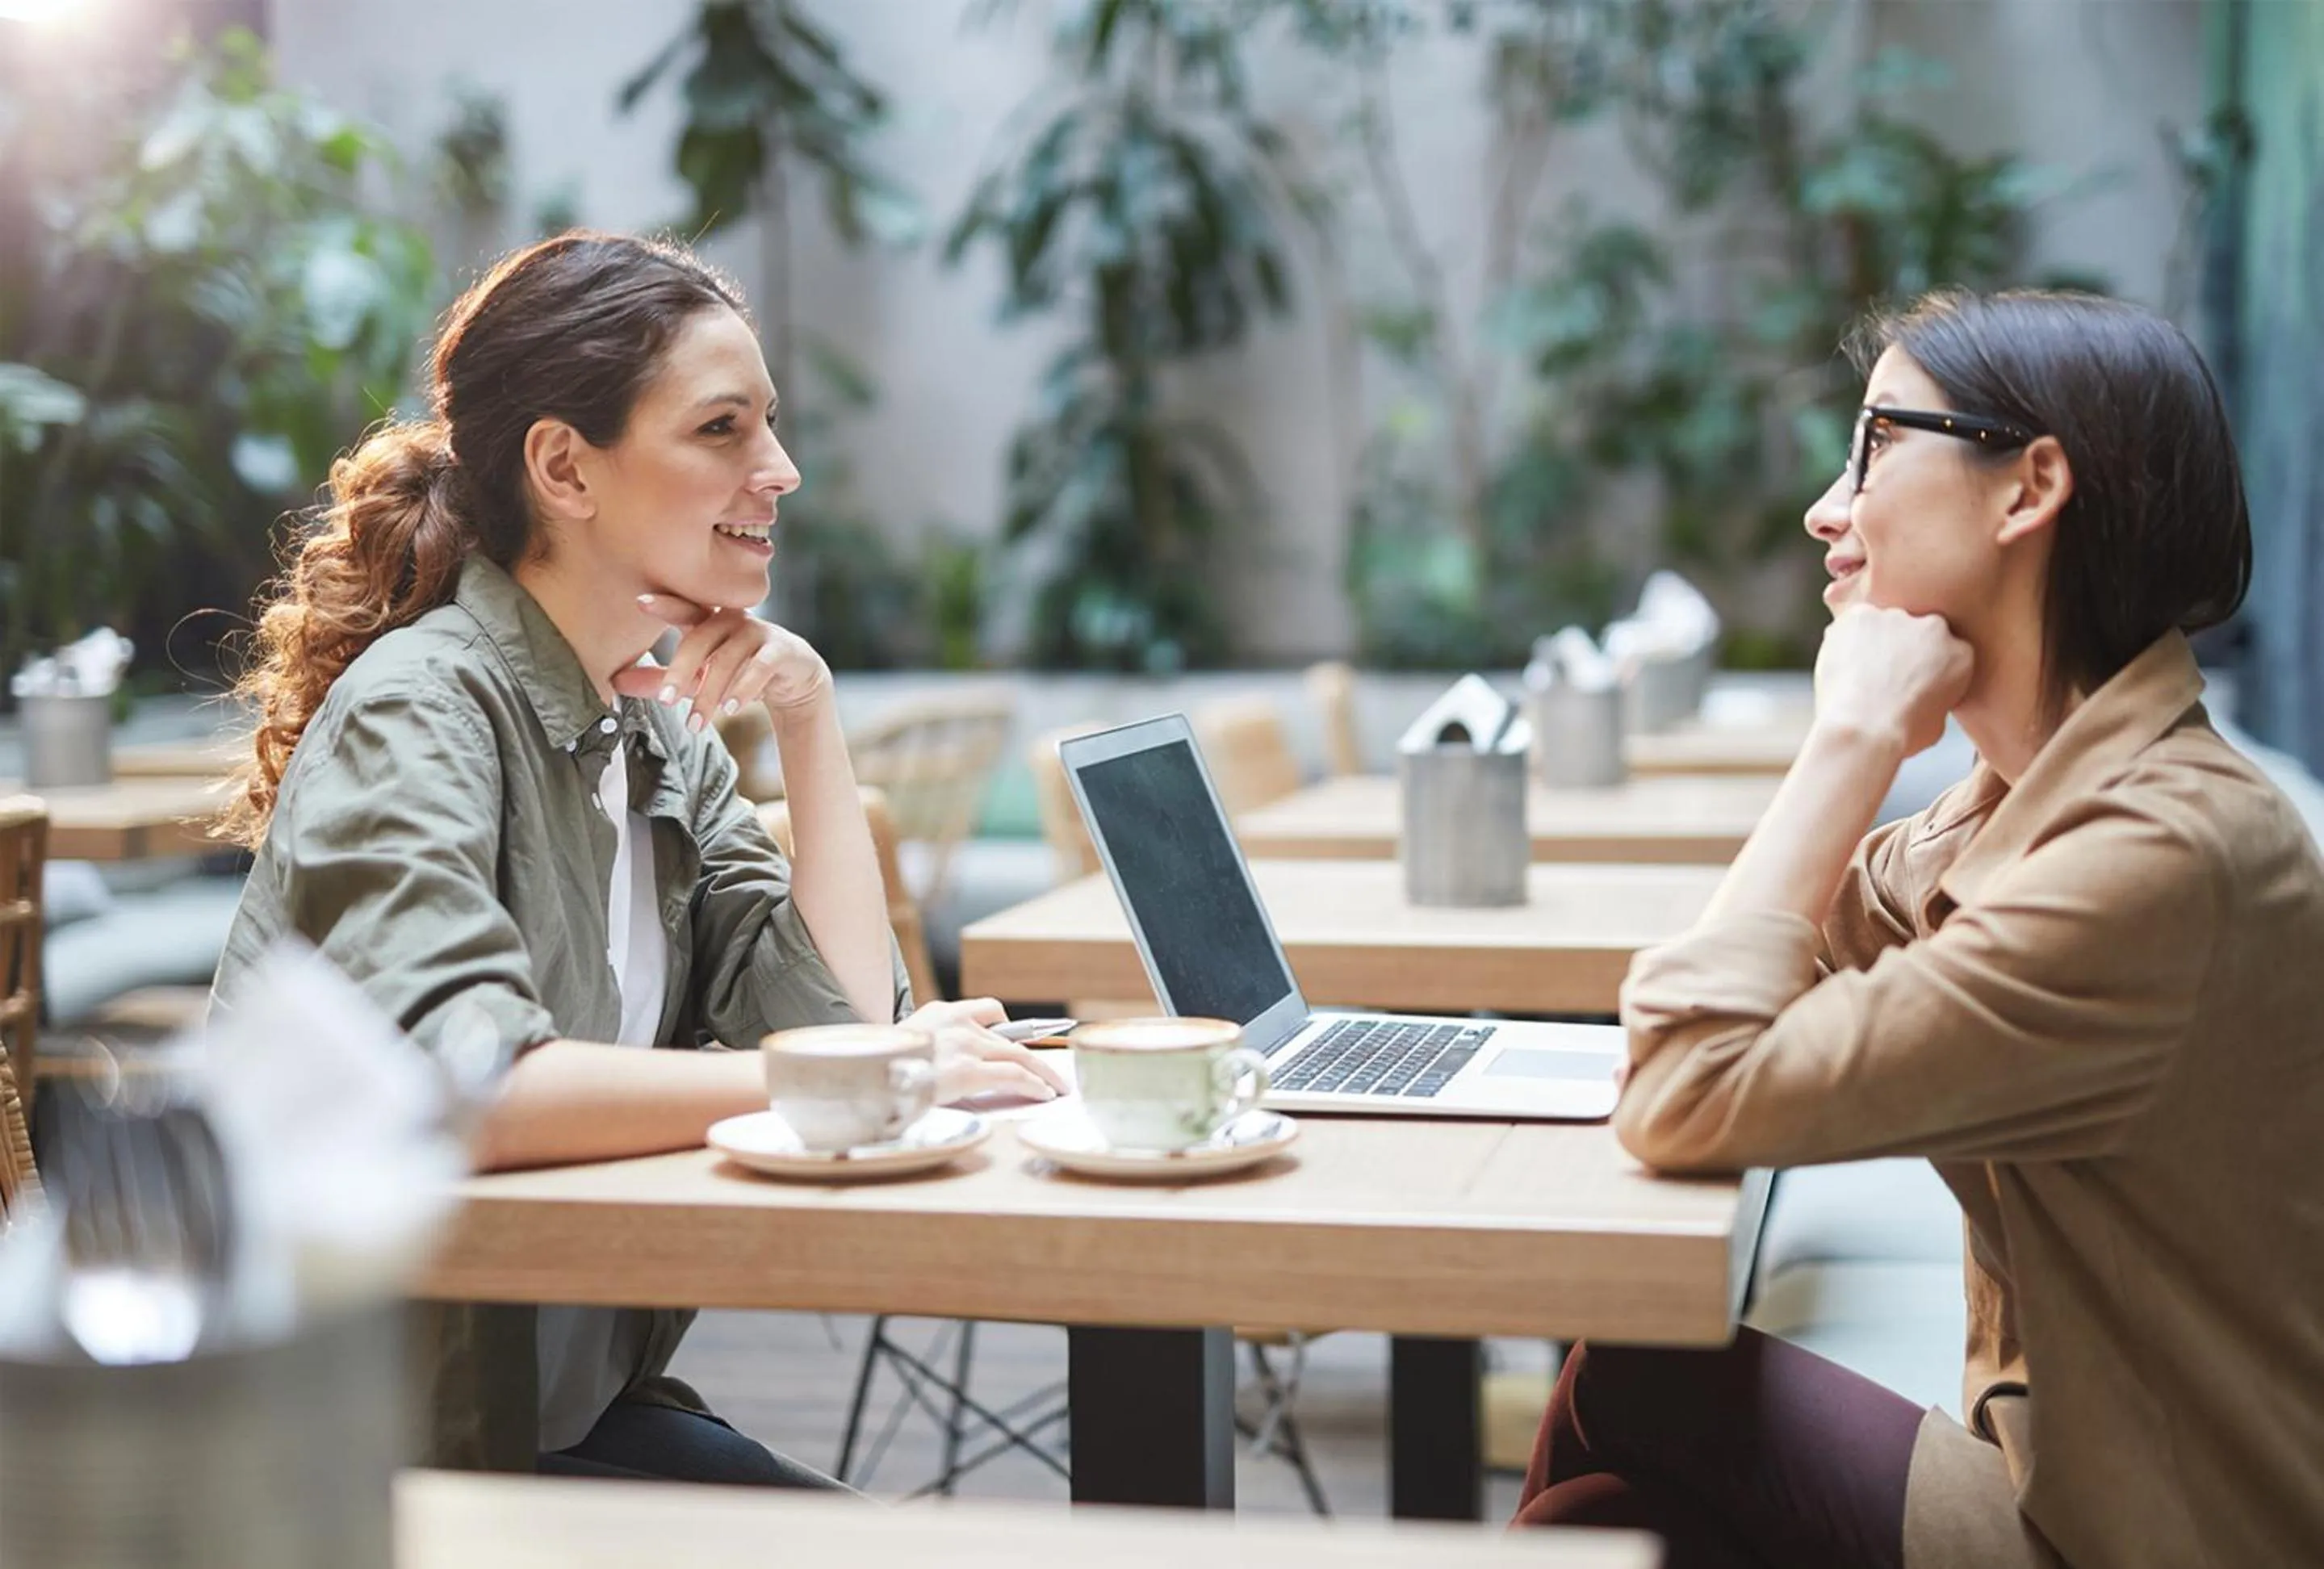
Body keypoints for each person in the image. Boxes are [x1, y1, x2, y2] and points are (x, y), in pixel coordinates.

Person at [210, 230, 1066, 1486]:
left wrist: (808, 716)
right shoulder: (425, 706)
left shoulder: (651, 728)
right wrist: (865, 1072)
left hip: (546, 1409)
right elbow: (468, 1089)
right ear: (564, 465)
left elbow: (831, 1017)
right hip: (343, 1458)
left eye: (769, 425)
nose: (778, 470)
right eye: (721, 429)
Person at [1515, 291, 2324, 1567]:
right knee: (1600, 1523)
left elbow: (1683, 1084)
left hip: (2147, 1536)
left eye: (1877, 445)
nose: (1825, 511)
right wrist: (1858, 752)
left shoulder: (2157, 858)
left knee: (1646, 1378)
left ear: (2027, 490)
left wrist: (1852, 738)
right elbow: (1759, 975)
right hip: (2049, 1472)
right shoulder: (2049, 799)